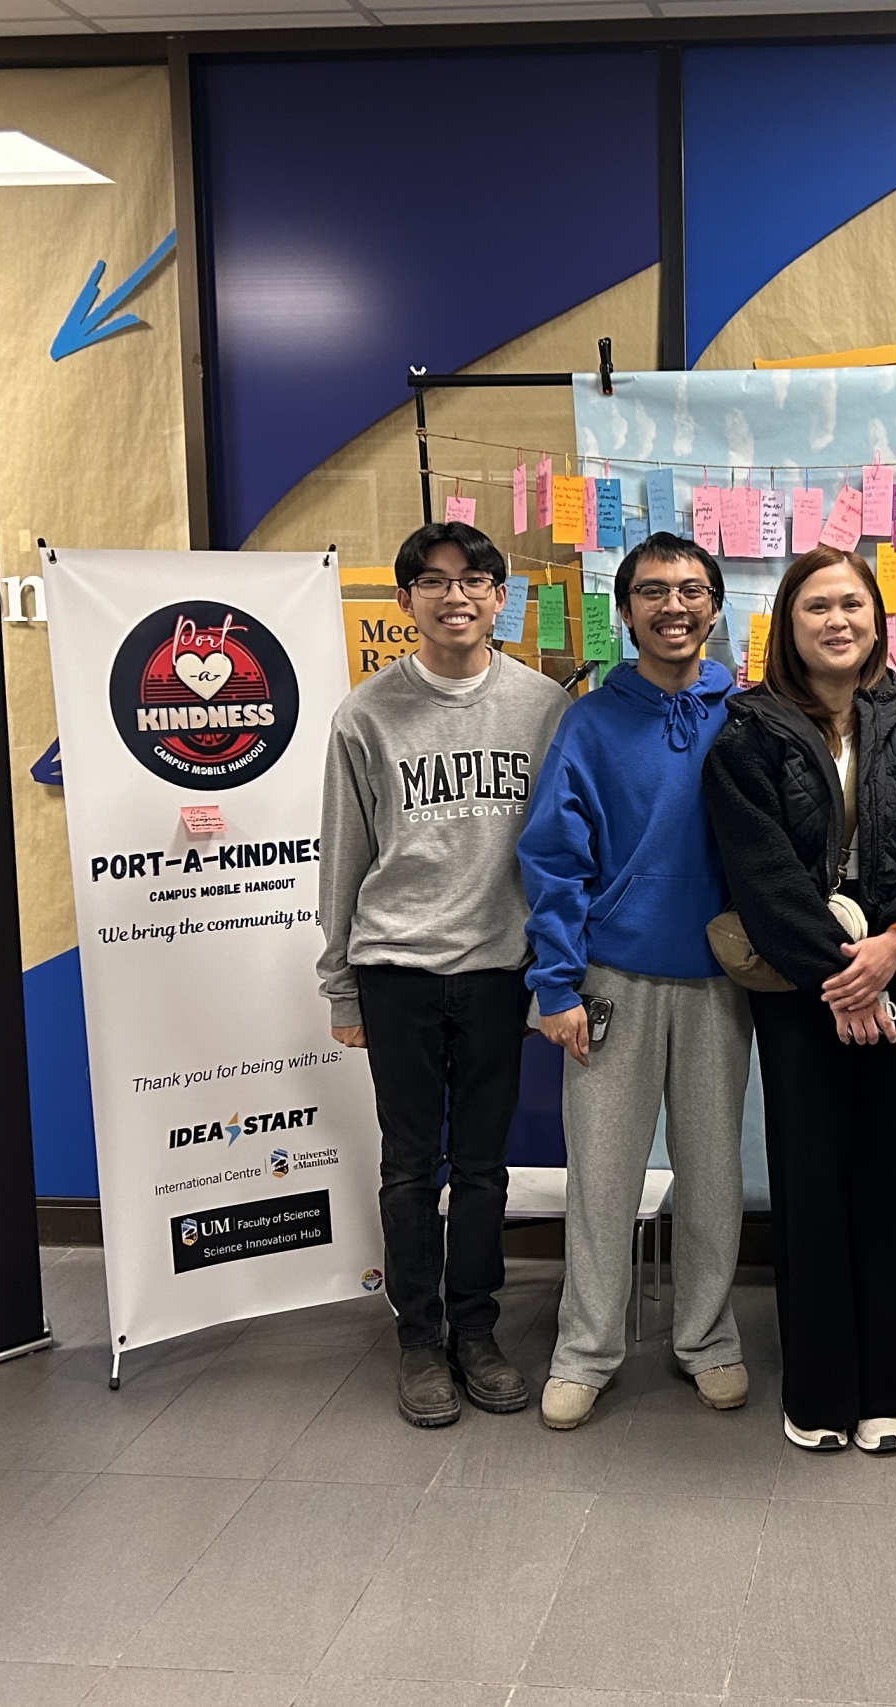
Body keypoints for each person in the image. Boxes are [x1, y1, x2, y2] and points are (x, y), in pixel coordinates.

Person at [703, 546, 896, 1455]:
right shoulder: (749, 729)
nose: (836, 620)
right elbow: (759, 869)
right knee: (810, 1176)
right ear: (788, 622)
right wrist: (842, 972)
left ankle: (887, 1386)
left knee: (892, 1175)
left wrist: (893, 948)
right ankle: (820, 1389)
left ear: (877, 619)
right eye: (816, 605)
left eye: (851, 604)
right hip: (797, 987)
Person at [317, 519, 567, 1429]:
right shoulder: (366, 713)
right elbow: (342, 858)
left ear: (502, 597)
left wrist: (555, 976)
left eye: (475, 579)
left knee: (486, 1165)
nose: (455, 594)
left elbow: (562, 851)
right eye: (434, 580)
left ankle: (477, 1328)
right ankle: (418, 1338)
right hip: (397, 972)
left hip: (503, 970)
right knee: (410, 1166)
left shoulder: (545, 708)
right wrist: (340, 983)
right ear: (406, 600)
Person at [518, 533, 753, 1429]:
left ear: (716, 606)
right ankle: (586, 1347)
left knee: (712, 1174)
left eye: (692, 590)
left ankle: (708, 1337)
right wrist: (556, 983)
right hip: (609, 979)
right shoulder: (588, 721)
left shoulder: (749, 712)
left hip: (720, 984)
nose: (674, 606)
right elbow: (550, 859)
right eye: (652, 591)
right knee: (603, 1179)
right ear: (625, 611)